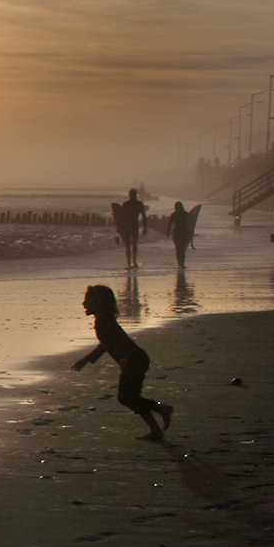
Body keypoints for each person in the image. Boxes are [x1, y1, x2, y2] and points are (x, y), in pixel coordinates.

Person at [72, 284, 173, 441]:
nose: (84, 304)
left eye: (88, 301)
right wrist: (87, 359)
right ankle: (156, 429)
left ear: (99, 303)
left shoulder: (103, 321)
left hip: (134, 360)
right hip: (135, 359)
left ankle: (161, 409)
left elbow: (117, 342)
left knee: (127, 398)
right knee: (131, 397)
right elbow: (106, 344)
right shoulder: (104, 320)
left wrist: (123, 358)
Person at [113, 189, 149, 269]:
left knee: (128, 245)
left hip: (127, 226)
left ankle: (130, 263)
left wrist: (118, 228)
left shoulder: (126, 204)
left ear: (130, 195)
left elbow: (121, 217)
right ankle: (133, 262)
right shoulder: (138, 204)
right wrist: (145, 227)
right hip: (134, 226)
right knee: (134, 245)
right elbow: (144, 216)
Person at [170, 201, 200, 269]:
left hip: (176, 233)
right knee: (182, 250)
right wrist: (191, 233)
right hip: (184, 232)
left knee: (178, 250)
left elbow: (170, 224)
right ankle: (182, 264)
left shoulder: (174, 214)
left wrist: (167, 233)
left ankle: (179, 263)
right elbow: (190, 224)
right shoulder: (186, 214)